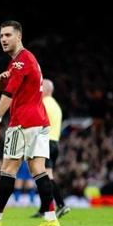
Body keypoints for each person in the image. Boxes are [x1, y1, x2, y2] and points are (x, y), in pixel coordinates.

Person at [0, 21, 60, 226]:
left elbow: (8, 94)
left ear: (19, 36)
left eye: (8, 35)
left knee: (8, 170)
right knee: (39, 170)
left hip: (23, 123)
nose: (3, 39)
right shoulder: (25, 60)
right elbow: (1, 87)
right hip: (39, 121)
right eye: (1, 36)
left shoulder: (20, 62)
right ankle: (51, 218)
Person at [31, 79, 70, 218]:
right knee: (44, 176)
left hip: (45, 142)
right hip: (55, 143)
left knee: (45, 177)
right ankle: (44, 208)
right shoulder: (56, 105)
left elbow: (37, 123)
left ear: (46, 89)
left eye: (40, 87)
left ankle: (61, 205)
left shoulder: (43, 103)